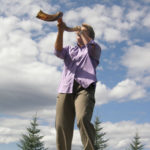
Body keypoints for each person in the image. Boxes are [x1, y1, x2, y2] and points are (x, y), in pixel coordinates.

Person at [54, 20, 101, 150]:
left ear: (89, 35)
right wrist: (61, 30)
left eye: (83, 31)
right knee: (61, 125)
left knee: (83, 119)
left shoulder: (94, 48)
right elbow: (57, 51)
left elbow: (90, 44)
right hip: (66, 88)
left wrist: (81, 30)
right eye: (78, 32)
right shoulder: (70, 49)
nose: (78, 33)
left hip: (84, 88)